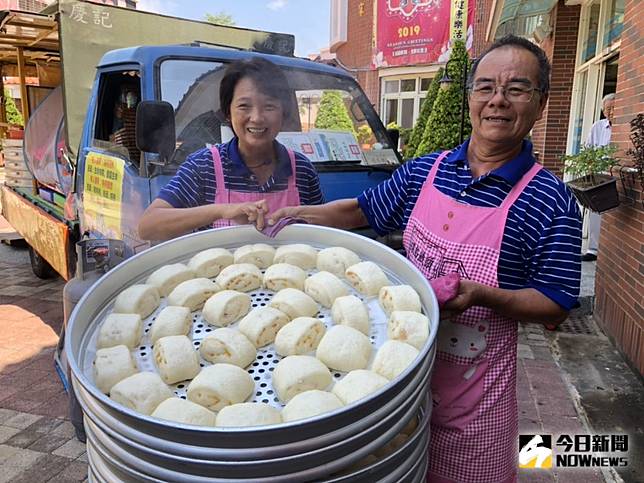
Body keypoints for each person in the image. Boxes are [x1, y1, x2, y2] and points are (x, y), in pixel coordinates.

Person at [268, 35, 582, 482]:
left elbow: (556, 300)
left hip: (476, 399)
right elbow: (362, 210)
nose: (497, 101)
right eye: (486, 87)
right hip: (394, 377)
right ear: (470, 96)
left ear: (541, 102)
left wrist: (482, 295)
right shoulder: (425, 170)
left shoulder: (551, 200)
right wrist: (300, 214)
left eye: (516, 89)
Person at [138, 57, 324, 241]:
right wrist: (223, 210)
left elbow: (321, 231)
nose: (257, 118)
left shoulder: (301, 169)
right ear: (228, 113)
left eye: (269, 106)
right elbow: (148, 227)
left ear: (284, 112)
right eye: (244, 106)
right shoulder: (204, 166)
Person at [581, 93, 615, 262]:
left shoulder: (623, 126)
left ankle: (608, 249)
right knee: (595, 212)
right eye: (608, 109)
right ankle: (593, 249)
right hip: (599, 175)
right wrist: (590, 170)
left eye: (614, 108)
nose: (611, 112)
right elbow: (589, 150)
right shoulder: (598, 127)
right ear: (603, 110)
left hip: (614, 176)